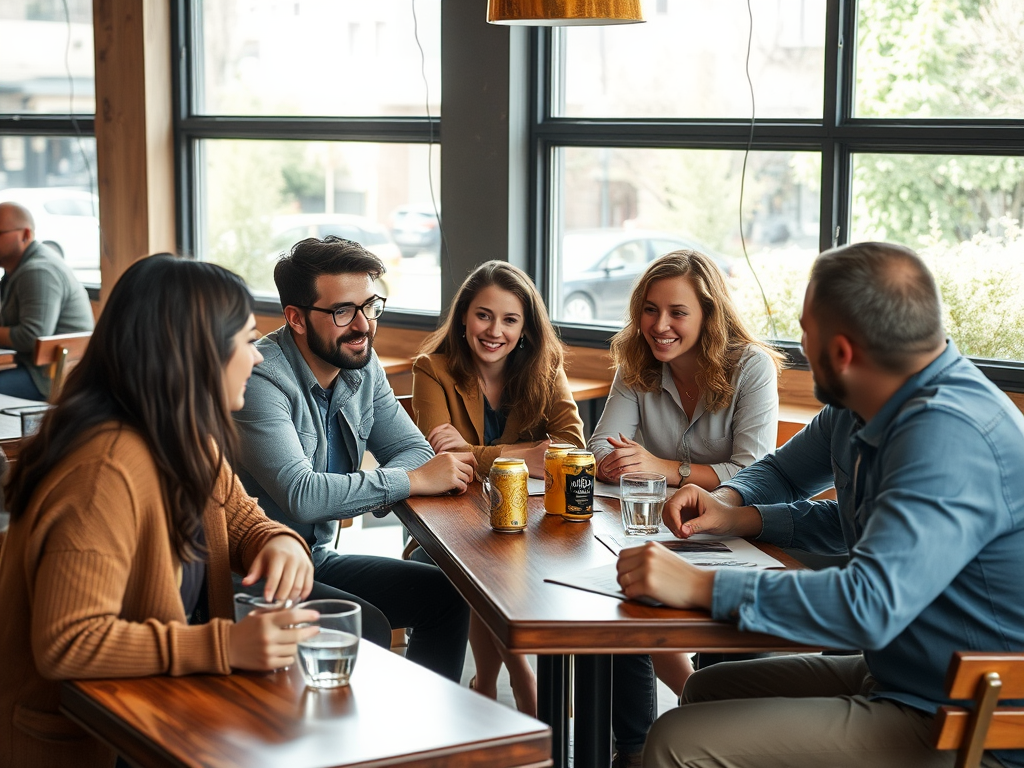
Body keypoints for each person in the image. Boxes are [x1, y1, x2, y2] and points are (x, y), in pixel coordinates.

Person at [617, 242, 1024, 768]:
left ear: (843, 351)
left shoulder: (949, 436)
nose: (801, 345)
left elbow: (868, 604)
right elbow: (785, 474)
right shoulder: (865, 403)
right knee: (706, 690)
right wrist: (731, 506)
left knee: (676, 741)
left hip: (965, 717)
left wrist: (699, 585)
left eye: (808, 330)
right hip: (903, 673)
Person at [0, 255, 318, 768]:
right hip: (82, 741)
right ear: (196, 351)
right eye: (246, 340)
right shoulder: (104, 469)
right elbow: (69, 642)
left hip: (151, 715)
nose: (257, 358)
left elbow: (240, 519)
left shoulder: (180, 434)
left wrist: (278, 541)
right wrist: (225, 646)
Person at [233, 235, 473, 683]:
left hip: (316, 557)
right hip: (250, 573)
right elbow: (301, 496)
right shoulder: (260, 378)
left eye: (371, 305)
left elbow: (415, 450)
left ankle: (425, 746)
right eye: (344, 311)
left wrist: (408, 474)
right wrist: (409, 482)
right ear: (296, 318)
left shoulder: (360, 360)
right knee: (366, 625)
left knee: (447, 595)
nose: (363, 325)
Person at [587, 250, 783, 731]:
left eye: (678, 312)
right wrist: (621, 462)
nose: (660, 325)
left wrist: (661, 468)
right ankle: (633, 749)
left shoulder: (750, 367)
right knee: (613, 608)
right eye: (650, 309)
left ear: (709, 315)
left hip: (729, 530)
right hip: (646, 526)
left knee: (725, 667)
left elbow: (752, 469)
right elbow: (598, 446)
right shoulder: (636, 361)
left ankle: (702, 714)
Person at [412, 259, 586, 715]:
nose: (495, 330)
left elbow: (571, 445)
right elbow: (440, 462)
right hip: (451, 522)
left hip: (532, 519)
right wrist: (523, 453)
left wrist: (477, 450)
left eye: (510, 319)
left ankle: (485, 682)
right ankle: (522, 677)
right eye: (484, 315)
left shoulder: (545, 368)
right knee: (483, 559)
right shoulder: (432, 369)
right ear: (465, 316)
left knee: (506, 557)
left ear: (525, 327)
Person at [0, 201, 94, 400]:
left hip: (50, 377)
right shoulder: (14, 272)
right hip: (30, 367)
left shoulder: (38, 271)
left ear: (26, 234)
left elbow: (31, 337)